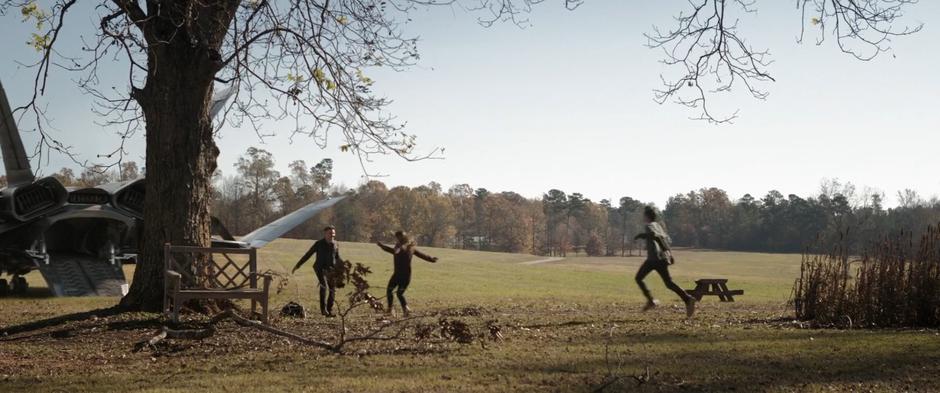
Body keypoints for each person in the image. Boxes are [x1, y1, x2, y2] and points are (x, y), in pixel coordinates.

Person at [633, 206, 696, 317]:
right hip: (661, 259)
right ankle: (688, 299)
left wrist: (641, 235)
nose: (643, 217)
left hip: (654, 259)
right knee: (669, 283)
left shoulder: (649, 226)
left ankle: (651, 301)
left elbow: (655, 237)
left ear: (647, 216)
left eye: (644, 215)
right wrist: (669, 254)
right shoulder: (658, 226)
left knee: (638, 278)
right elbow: (663, 239)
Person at [376, 231, 438, 317]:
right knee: (390, 291)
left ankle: (405, 310)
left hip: (404, 275)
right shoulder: (404, 247)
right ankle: (391, 310)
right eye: (397, 238)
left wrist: (431, 259)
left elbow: (420, 255)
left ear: (403, 238)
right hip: (398, 275)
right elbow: (395, 251)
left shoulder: (407, 248)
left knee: (398, 293)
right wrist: (383, 246)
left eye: (399, 238)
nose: (397, 239)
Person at [292, 225, 343, 317]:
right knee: (323, 286)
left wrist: (342, 267)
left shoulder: (336, 244)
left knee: (332, 289)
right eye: (330, 233)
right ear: (325, 234)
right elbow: (308, 254)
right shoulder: (318, 244)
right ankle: (323, 310)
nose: (332, 235)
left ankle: (329, 310)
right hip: (320, 268)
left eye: (333, 233)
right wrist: (298, 265)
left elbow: (337, 257)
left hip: (331, 269)